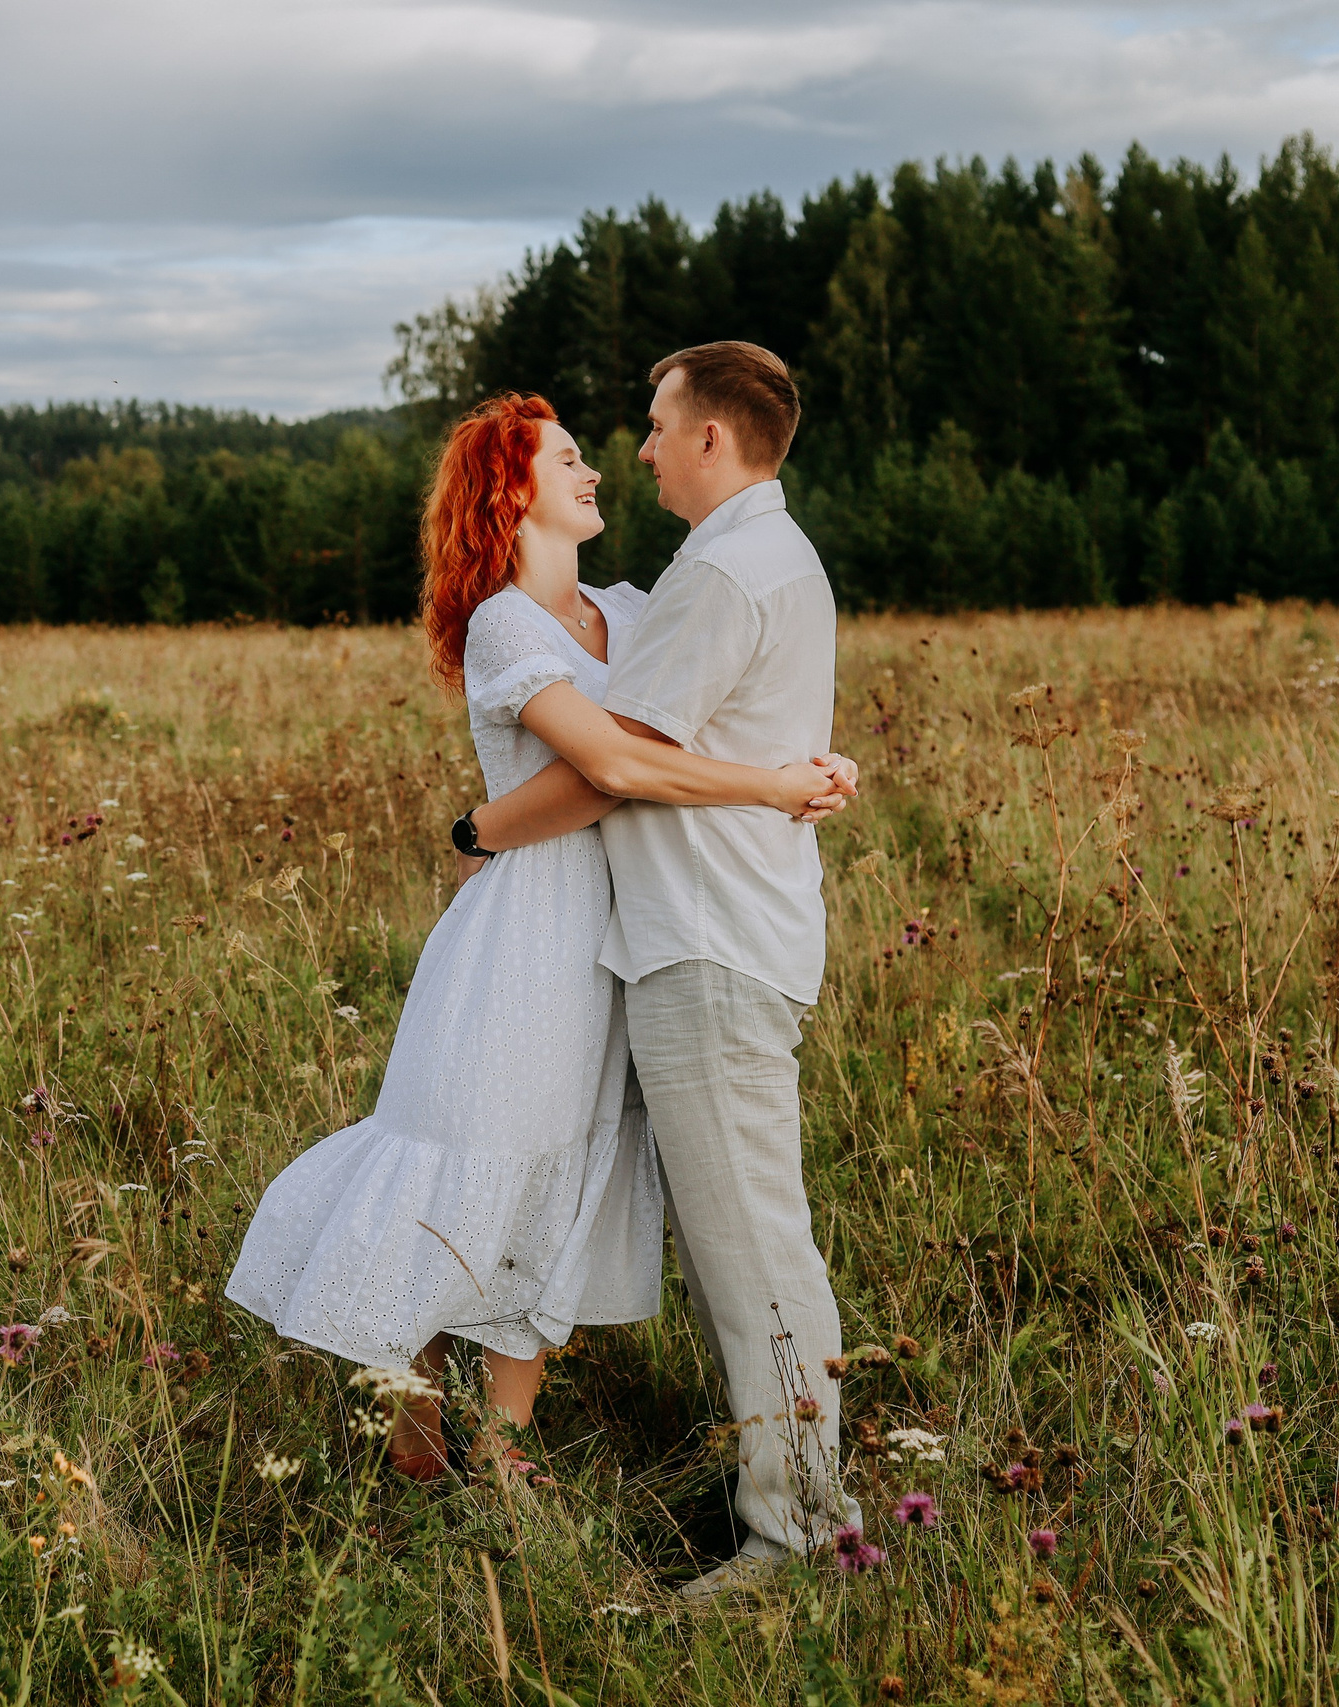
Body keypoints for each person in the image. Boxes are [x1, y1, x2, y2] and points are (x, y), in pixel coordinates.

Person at [225, 392, 857, 1481]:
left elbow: (713, 704)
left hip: (621, 927)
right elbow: (611, 764)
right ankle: (417, 1424)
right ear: (510, 492)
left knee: (559, 1175)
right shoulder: (503, 623)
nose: (598, 471)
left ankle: (504, 1444)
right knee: (475, 1152)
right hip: (525, 930)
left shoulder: (630, 606)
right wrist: (769, 786)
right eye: (567, 461)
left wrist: (816, 757)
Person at [470, 342, 860, 1593]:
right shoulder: (762, 557)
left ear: (708, 438)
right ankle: (779, 1497)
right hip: (717, 933)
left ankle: (799, 1536)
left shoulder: (717, 576)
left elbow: (614, 770)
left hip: (706, 940)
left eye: (652, 424)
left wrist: (476, 831)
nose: (636, 448)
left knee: (753, 1250)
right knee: (742, 1241)